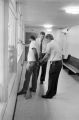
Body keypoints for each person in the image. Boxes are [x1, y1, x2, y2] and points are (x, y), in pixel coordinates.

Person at [40, 34, 62, 99]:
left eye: (46, 39)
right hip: (59, 63)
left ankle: (49, 95)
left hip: (54, 64)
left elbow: (47, 55)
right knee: (55, 79)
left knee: (51, 79)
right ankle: (53, 92)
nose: (46, 41)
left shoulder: (49, 44)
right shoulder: (56, 43)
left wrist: (41, 60)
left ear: (48, 38)